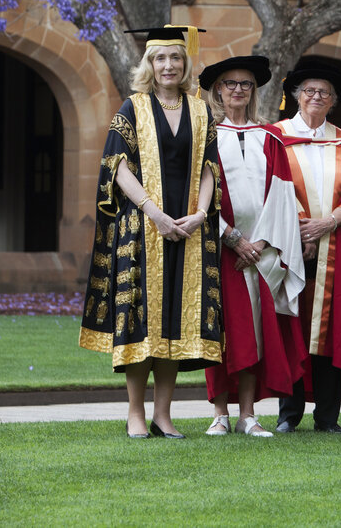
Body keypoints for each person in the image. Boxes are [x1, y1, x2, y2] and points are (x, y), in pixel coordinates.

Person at [79, 25, 220, 439]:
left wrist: (200, 213)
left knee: (174, 321)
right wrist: (153, 212)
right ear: (150, 65)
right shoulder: (132, 107)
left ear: (185, 63)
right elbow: (116, 167)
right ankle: (135, 413)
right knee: (142, 320)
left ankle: (163, 414)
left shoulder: (201, 110)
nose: (169, 65)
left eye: (176, 57)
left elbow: (210, 167)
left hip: (189, 229)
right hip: (142, 228)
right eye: (161, 58)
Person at [272, 58, 341, 434]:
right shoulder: (277, 137)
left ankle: (328, 417)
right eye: (309, 91)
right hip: (291, 245)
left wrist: (327, 223)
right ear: (295, 96)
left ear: (333, 101)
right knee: (293, 324)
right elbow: (273, 187)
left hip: (339, 245)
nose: (315, 97)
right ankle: (288, 414)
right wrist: (300, 229)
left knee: (336, 327)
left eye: (324, 93)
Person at [200, 55, 307, 437]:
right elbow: (199, 195)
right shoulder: (207, 136)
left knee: (255, 332)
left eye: (246, 84)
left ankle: (247, 414)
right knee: (221, 331)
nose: (239, 90)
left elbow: (281, 193)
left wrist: (258, 243)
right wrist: (232, 238)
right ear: (218, 90)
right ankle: (220, 413)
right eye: (230, 83)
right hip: (220, 249)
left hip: (260, 254)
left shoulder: (270, 137)